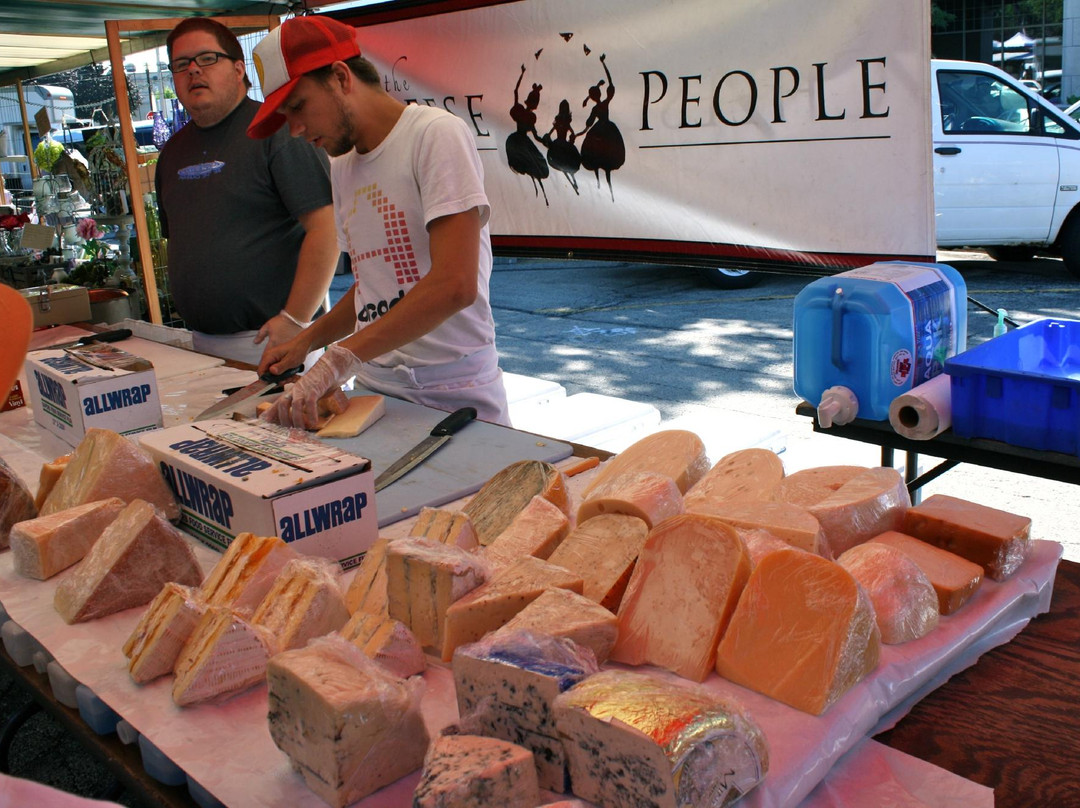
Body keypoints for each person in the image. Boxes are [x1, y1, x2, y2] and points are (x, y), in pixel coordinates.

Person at [248, 15, 510, 427]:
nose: (295, 129)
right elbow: (373, 286)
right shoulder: (341, 164)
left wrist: (339, 357)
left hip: (453, 390)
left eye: (298, 107)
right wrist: (307, 342)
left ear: (340, 77)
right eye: (284, 116)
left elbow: (455, 285)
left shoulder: (434, 135)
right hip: (374, 387)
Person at [155, 17, 339, 366]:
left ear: (239, 68)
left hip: (274, 341)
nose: (194, 71)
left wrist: (295, 319)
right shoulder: (171, 153)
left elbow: (327, 229)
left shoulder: (280, 132)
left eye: (207, 59)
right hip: (200, 346)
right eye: (182, 65)